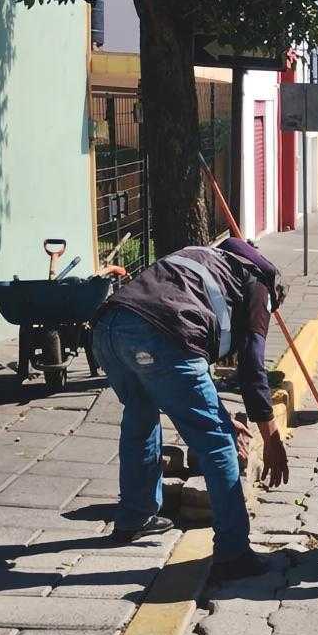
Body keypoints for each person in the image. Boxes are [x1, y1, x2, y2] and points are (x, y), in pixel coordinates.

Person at [92, 237, 291, 580]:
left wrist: (224, 413)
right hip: (161, 333)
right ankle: (233, 553)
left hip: (108, 329)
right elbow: (252, 368)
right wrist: (270, 436)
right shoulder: (259, 286)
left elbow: (186, 374)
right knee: (218, 443)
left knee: (140, 415)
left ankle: (135, 516)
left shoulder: (197, 257)